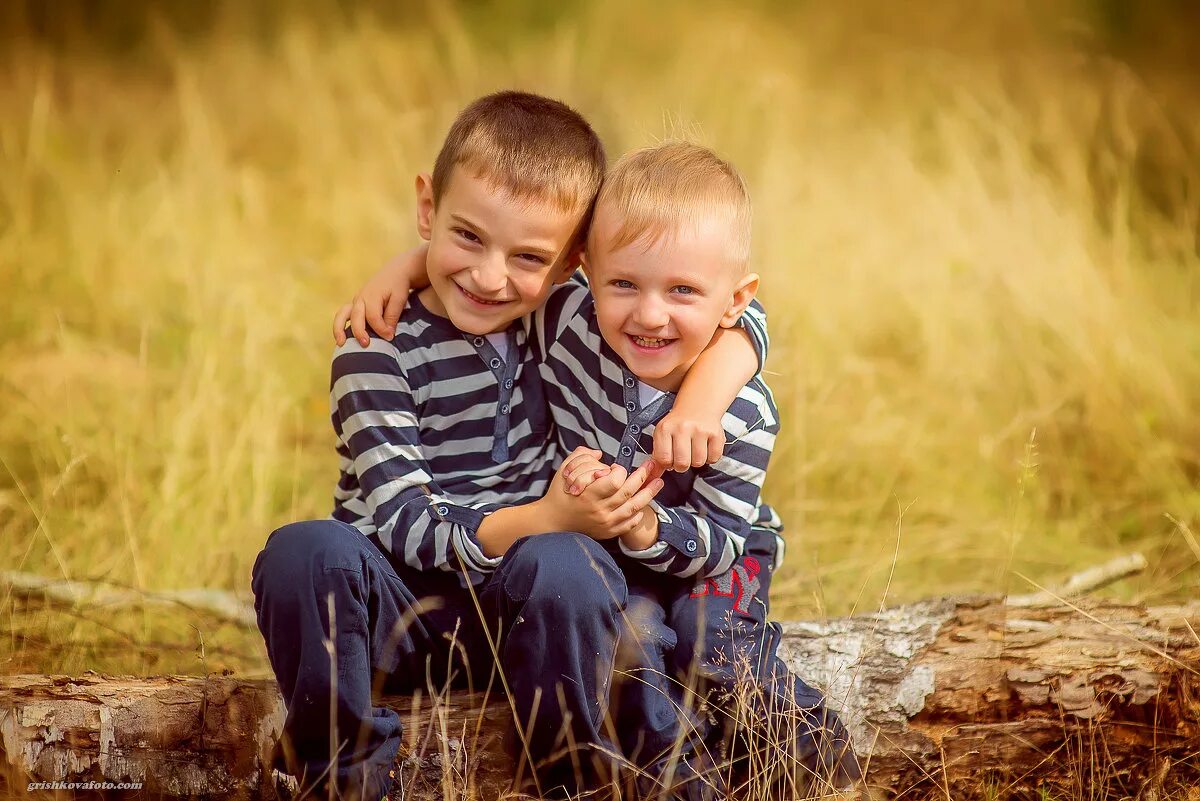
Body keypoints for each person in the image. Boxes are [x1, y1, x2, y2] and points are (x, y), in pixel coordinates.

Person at [253, 91, 765, 801]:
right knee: (304, 550)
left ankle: (570, 779)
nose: (490, 276)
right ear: (427, 208)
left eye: (528, 255)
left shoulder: (558, 314)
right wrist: (547, 517)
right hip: (403, 613)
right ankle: (346, 775)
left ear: (571, 264)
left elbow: (728, 306)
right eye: (466, 238)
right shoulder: (376, 349)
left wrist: (706, 397)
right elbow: (405, 523)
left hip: (535, 613)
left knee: (566, 561)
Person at [345, 142, 862, 799]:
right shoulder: (571, 323)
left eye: (680, 291)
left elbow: (722, 539)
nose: (648, 314)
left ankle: (826, 768)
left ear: (732, 299)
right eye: (624, 285)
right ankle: (682, 783)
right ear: (586, 273)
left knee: (714, 647)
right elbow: (496, 270)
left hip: (718, 551)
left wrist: (649, 521)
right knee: (633, 641)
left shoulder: (743, 411)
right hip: (616, 552)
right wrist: (409, 266)